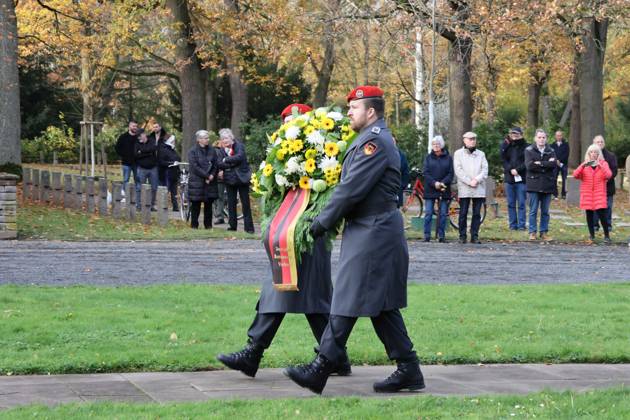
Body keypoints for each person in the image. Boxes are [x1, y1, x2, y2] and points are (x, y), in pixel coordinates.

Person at [283, 86, 424, 395]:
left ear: (370, 112)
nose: (348, 113)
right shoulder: (370, 140)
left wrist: (320, 223)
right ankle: (409, 369)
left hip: (373, 231)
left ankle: (320, 368)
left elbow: (350, 190)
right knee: (381, 304)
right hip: (371, 229)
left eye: (354, 108)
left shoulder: (373, 142)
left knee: (347, 297)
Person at [216, 104, 351, 379]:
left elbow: (333, 191)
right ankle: (333, 357)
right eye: (286, 122)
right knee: (293, 293)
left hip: (309, 233)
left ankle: (255, 353)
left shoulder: (326, 151)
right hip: (287, 235)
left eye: (293, 122)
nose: (288, 127)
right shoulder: (282, 157)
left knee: (309, 297)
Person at [217, 128, 255, 234]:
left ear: (231, 138)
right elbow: (219, 163)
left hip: (242, 178)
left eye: (227, 138)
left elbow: (240, 157)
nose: (225, 141)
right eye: (223, 139)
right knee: (231, 203)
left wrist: (227, 160)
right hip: (229, 179)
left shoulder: (239, 146)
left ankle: (249, 228)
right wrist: (230, 163)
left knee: (245, 204)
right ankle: (232, 226)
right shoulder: (221, 150)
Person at [453, 131, 488, 244]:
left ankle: (474, 235)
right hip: (465, 187)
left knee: (477, 213)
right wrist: (469, 181)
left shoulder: (481, 154)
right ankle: (462, 236)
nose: (472, 141)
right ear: (464, 140)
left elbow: (485, 169)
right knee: (463, 212)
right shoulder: (458, 154)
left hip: (478, 186)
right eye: (470, 139)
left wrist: (476, 180)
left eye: (474, 139)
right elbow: (458, 170)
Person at [573, 145, 612, 243]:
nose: (593, 154)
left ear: (599, 154)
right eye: (591, 152)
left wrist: (600, 165)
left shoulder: (604, 163)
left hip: (599, 194)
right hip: (587, 194)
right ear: (588, 154)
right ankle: (592, 235)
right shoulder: (585, 165)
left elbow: (608, 175)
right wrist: (583, 165)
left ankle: (607, 235)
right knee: (589, 215)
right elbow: (575, 175)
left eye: (596, 152)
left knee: (602, 216)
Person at [524, 129, 558, 241]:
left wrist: (540, 164)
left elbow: (553, 164)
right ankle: (532, 232)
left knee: (545, 211)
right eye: (539, 137)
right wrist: (546, 165)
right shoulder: (529, 150)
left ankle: (543, 232)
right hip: (534, 184)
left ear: (546, 139)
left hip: (547, 184)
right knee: (533, 210)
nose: (541, 139)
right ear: (535, 138)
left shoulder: (551, 150)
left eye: (543, 137)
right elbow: (529, 166)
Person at [422, 135, 453, 242]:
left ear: (442, 145)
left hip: (444, 189)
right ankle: (426, 235)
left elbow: (450, 173)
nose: (435, 146)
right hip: (430, 188)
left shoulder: (448, 158)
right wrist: (434, 183)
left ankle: (441, 235)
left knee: (443, 213)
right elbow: (425, 173)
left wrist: (442, 183)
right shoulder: (428, 157)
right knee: (428, 213)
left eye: (437, 144)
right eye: (434, 144)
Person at [187, 130, 218, 229]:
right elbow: (195, 167)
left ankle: (208, 225)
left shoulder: (212, 150)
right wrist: (207, 176)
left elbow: (215, 164)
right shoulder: (192, 151)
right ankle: (194, 225)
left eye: (208, 138)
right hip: (197, 181)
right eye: (205, 138)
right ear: (199, 139)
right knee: (195, 204)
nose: (207, 140)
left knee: (209, 205)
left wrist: (212, 175)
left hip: (210, 181)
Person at [501, 127, 528, 230]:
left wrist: (518, 170)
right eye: (512, 134)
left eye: (516, 134)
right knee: (510, 203)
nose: (514, 136)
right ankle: (512, 225)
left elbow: (527, 161)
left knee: (521, 203)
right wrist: (510, 169)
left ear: (521, 134)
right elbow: (503, 158)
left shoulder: (526, 146)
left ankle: (521, 225)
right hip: (509, 178)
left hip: (521, 179)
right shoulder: (507, 145)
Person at [592, 135, 617, 232]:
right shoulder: (591, 156)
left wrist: (607, 179)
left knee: (608, 207)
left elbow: (614, 170)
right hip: (595, 187)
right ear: (594, 143)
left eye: (601, 142)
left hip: (608, 186)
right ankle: (595, 225)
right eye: (597, 142)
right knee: (595, 207)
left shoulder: (611, 156)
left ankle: (608, 225)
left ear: (604, 143)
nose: (600, 143)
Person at [134, 129, 159, 211]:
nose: (139, 138)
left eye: (140, 136)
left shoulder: (151, 140)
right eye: (138, 137)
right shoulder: (137, 143)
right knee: (139, 187)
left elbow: (154, 148)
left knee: (154, 187)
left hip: (153, 168)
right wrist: (147, 153)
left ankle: (151, 205)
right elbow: (136, 155)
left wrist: (142, 151)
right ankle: (139, 205)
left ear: (144, 135)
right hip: (141, 168)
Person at [158, 134, 181, 211]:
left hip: (174, 172)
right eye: (173, 141)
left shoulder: (173, 150)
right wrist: (171, 163)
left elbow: (178, 158)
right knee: (166, 190)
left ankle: (175, 206)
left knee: (174, 191)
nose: (174, 142)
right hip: (166, 173)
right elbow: (161, 162)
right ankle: (162, 206)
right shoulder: (163, 149)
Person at [115, 120, 139, 188]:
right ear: (129, 126)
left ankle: (138, 195)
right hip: (126, 163)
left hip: (137, 163)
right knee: (126, 180)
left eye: (136, 126)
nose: (135, 127)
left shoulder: (138, 137)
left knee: (138, 180)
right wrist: (124, 155)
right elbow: (117, 148)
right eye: (133, 126)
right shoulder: (123, 137)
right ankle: (124, 196)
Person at [550, 130, 569, 199]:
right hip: (555, 164)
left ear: (562, 136)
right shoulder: (552, 145)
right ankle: (555, 194)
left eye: (560, 135)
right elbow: (551, 154)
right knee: (554, 178)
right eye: (557, 135)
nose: (559, 137)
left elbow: (566, 154)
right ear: (555, 136)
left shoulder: (566, 144)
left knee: (564, 179)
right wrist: (556, 160)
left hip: (564, 164)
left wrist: (560, 161)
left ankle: (563, 194)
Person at [149, 121, 169, 187]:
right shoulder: (151, 136)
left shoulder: (166, 136)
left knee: (163, 179)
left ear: (160, 127)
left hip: (163, 161)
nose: (155, 128)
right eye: (154, 127)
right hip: (153, 161)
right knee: (155, 179)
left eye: (156, 127)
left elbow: (169, 148)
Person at [392, 136, 410, 208]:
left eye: (393, 141)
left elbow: (406, 172)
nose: (392, 143)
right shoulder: (381, 154)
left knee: (395, 211)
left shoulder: (402, 156)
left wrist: (402, 185)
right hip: (384, 191)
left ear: (396, 142)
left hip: (397, 189)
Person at [212, 139, 226, 225]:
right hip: (219, 177)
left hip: (216, 177)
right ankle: (219, 215)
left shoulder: (214, 151)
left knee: (218, 197)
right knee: (219, 197)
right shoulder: (219, 151)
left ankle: (219, 216)